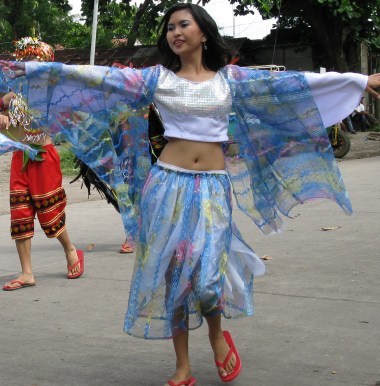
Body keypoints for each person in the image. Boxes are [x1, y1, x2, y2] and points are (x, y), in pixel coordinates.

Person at [1, 5, 380, 385]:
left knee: (207, 280)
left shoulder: (230, 80)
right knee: (175, 276)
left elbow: (292, 86)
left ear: (203, 33)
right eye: (169, 28)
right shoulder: (156, 80)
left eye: (184, 25)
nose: (175, 32)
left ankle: (216, 337)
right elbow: (99, 79)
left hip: (213, 188)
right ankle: (182, 364)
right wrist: (38, 71)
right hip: (166, 186)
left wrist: (357, 81)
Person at [0, 37, 84, 291]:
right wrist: (2, 118)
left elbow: (72, 118)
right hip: (19, 157)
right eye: (25, 61)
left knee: (48, 213)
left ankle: (70, 250)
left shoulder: (55, 94)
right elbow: (8, 121)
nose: (29, 66)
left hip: (44, 156)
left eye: (35, 62)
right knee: (20, 215)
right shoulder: (10, 96)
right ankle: (26, 273)